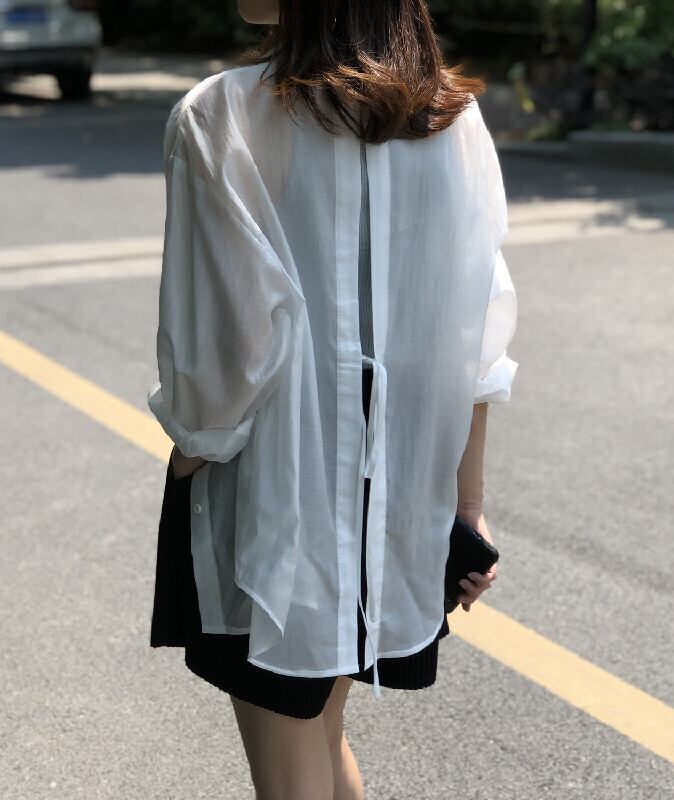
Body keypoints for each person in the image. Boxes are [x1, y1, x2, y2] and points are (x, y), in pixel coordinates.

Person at [147, 0, 519, 796]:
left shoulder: (224, 115)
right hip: (396, 490)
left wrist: (188, 454)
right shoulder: (452, 121)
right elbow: (476, 340)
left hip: (273, 479)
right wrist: (467, 508)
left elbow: (224, 351)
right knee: (318, 728)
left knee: (289, 755)